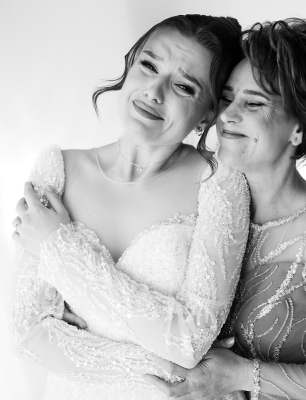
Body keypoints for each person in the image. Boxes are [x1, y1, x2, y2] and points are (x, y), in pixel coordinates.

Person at [142, 19, 306, 399]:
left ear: (299, 128)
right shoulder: (202, 195)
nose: (227, 115)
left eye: (253, 103)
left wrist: (241, 375)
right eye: (226, 98)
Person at [11, 14, 250, 400]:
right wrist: (161, 364)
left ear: (208, 113)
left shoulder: (221, 184)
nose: (154, 91)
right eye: (149, 65)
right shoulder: (56, 170)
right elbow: (29, 335)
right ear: (130, 63)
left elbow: (189, 341)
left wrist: (59, 248)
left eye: (183, 86)